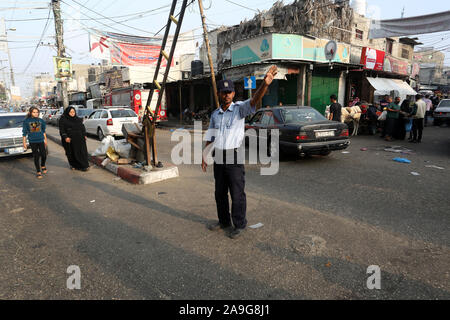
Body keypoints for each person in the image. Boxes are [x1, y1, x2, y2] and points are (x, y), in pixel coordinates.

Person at [202, 65, 278, 239]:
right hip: (219, 156)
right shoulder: (215, 115)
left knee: (237, 193)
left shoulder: (239, 109)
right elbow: (211, 136)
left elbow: (254, 101)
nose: (227, 94)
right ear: (219, 94)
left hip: (234, 156)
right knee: (219, 193)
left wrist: (264, 85)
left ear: (233, 94)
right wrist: (205, 154)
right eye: (223, 92)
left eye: (229, 92)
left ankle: (240, 224)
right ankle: (224, 222)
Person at [59, 106, 90, 171]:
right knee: (71, 153)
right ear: (67, 112)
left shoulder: (78, 119)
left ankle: (84, 166)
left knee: (82, 152)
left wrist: (84, 135)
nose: (72, 113)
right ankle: (73, 165)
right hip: (70, 139)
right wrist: (65, 137)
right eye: (71, 112)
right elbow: (62, 130)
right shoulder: (63, 120)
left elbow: (82, 127)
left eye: (73, 112)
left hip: (80, 138)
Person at [22, 106, 48, 179]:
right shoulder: (26, 121)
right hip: (32, 141)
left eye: (37, 112)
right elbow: (24, 133)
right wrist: (24, 143)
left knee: (44, 155)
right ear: (30, 113)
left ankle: (43, 165)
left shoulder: (41, 120)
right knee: (36, 156)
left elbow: (43, 131)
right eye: (34, 112)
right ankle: (38, 171)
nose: (36, 113)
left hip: (40, 140)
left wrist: (45, 140)